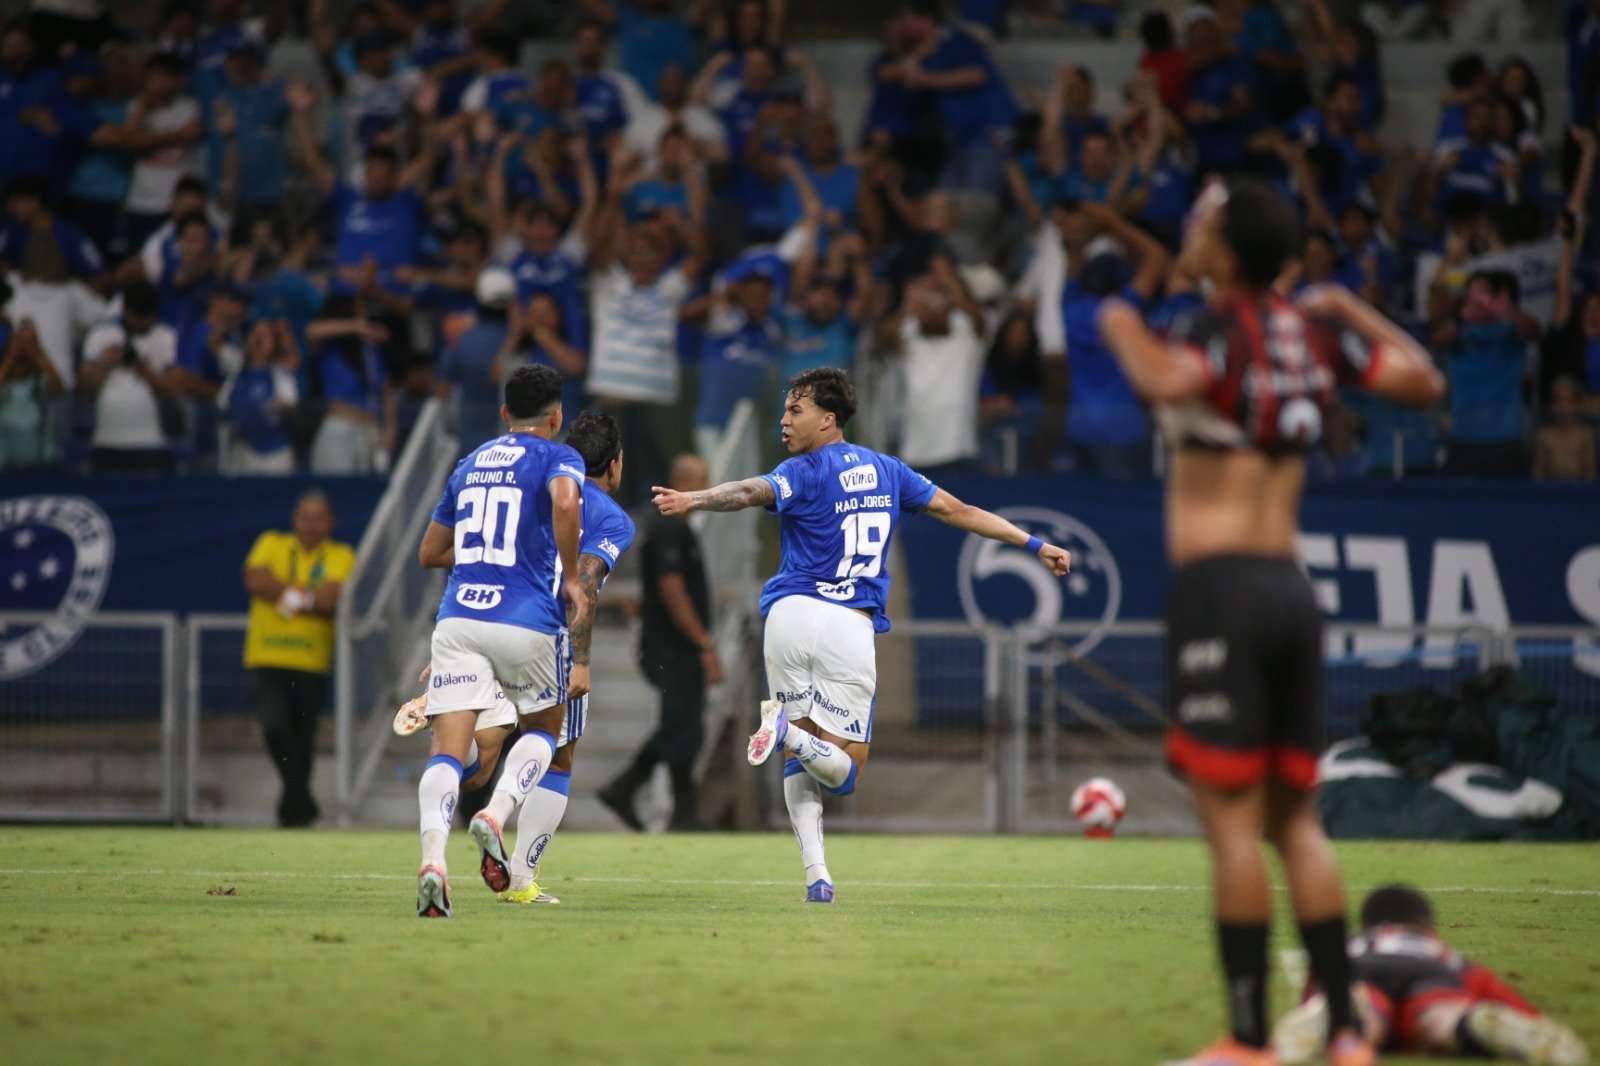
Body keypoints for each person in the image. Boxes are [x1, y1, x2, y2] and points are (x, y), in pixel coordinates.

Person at [1098, 177, 1444, 1066]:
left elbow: (1162, 375)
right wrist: (1350, 307)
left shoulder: (1217, 327)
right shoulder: (1313, 330)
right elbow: (1423, 380)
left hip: (1221, 591)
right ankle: (1345, 1035)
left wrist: (1116, 316)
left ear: (1226, 250)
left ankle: (1249, 1041)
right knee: (1299, 824)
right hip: (1292, 587)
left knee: (1233, 825)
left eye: (1204, 222)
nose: (1191, 229)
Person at [651, 368, 1072, 902]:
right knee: (844, 771)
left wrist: (699, 498)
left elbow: (751, 491)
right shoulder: (888, 470)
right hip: (846, 625)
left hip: (789, 615)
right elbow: (959, 511)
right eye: (784, 410)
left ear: (828, 419)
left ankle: (816, 872)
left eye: (794, 411)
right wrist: (1033, 544)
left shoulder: (800, 471)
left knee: (801, 751)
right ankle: (810, 845)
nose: (783, 420)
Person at [394, 410, 635, 905]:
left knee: (479, 757)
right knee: (557, 752)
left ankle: (447, 827)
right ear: (615, 465)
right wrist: (582, 660)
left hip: (475, 625)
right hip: (543, 639)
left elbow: (483, 554)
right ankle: (520, 877)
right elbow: (584, 583)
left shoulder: (529, 481)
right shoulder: (610, 515)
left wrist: (450, 654)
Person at [412, 363, 588, 918]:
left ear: (505, 412)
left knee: (447, 751)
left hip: (459, 617)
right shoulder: (559, 456)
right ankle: (496, 813)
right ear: (557, 416)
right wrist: (570, 575)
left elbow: (430, 552)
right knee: (545, 730)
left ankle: (433, 861)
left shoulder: (469, 463)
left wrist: (488, 557)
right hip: (526, 619)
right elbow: (564, 502)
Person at [1272, 885, 1589, 1066]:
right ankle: (1469, 1022)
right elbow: (1490, 987)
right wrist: (1534, 1019)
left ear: (1368, 924)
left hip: (1362, 973)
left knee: (1358, 1015)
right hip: (1431, 976)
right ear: (1428, 927)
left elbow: (1323, 975)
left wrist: (1313, 1002)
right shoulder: (1437, 950)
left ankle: (1339, 1019)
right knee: (1443, 1020)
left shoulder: (1358, 943)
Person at [598, 452, 722, 832]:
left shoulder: (676, 529)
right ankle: (674, 808)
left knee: (684, 723)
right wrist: (703, 644)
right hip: (672, 646)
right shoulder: (671, 529)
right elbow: (672, 590)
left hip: (671, 644)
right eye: (701, 482)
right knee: (682, 725)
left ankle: (635, 790)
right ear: (682, 483)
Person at [241, 490, 355, 827]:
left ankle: (293, 815)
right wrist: (304, 597)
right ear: (295, 520)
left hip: (312, 661)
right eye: (305, 516)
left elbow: (329, 599)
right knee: (275, 728)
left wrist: (285, 593)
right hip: (269, 656)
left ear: (330, 523)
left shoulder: (340, 553)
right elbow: (254, 579)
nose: (311, 524)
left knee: (303, 740)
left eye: (319, 517)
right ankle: (301, 803)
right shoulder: (271, 542)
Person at [1533, 377, 1597, 481]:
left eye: (1568, 401)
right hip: (1550, 492)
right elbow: (1537, 474)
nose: (1564, 407)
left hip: (1580, 492)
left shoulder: (1586, 435)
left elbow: (1591, 474)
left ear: (1577, 405)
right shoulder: (1544, 435)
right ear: (1552, 405)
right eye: (1559, 401)